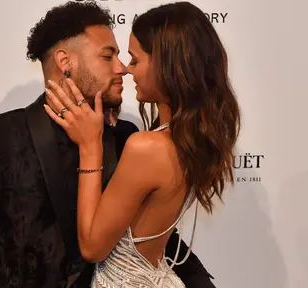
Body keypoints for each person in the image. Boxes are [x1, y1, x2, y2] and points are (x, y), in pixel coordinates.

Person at [0, 1, 214, 288]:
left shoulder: (126, 137)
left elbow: (149, 235)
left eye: (122, 57)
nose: (121, 69)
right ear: (65, 62)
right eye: (108, 56)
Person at [44, 1, 241, 287]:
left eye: (135, 60)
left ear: (165, 65)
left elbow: (92, 247)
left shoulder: (147, 147)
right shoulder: (187, 140)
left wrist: (90, 145)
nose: (126, 69)